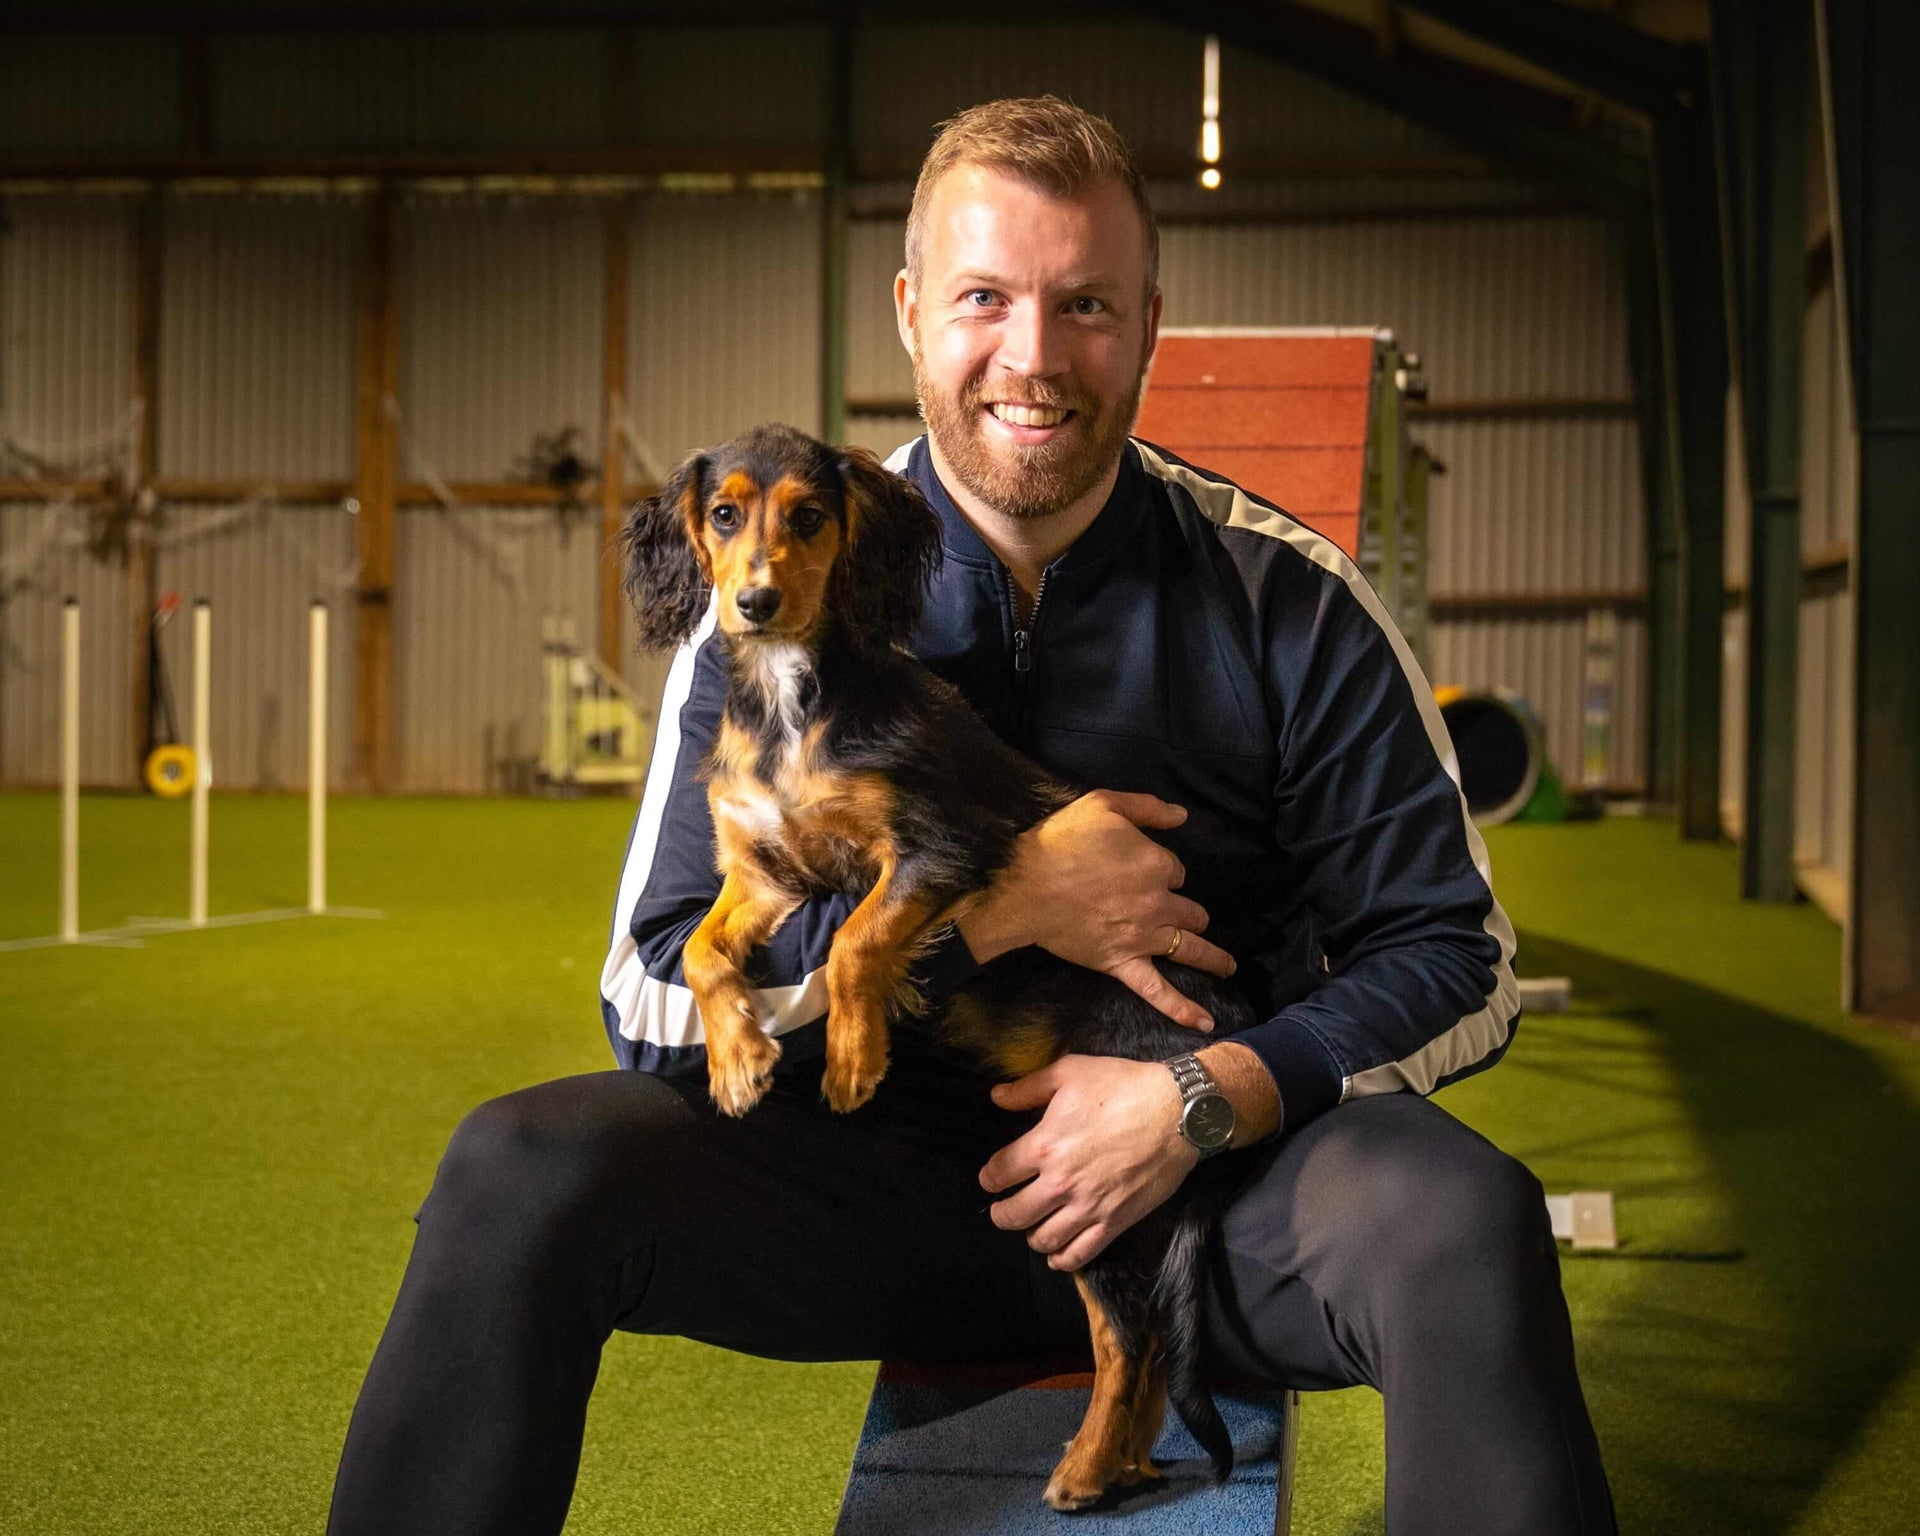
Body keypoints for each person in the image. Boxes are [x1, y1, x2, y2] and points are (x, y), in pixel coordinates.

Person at [328, 96, 1615, 1535]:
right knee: (521, 1166)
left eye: (1085, 306)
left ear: (1147, 322)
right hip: (866, 1187)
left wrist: (1213, 1094)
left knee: (1457, 1213)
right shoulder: (753, 604)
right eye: (985, 299)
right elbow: (653, 996)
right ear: (910, 311)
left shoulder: (1289, 604)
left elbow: (1458, 960)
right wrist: (990, 908)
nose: (1034, 357)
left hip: (1204, 1195)